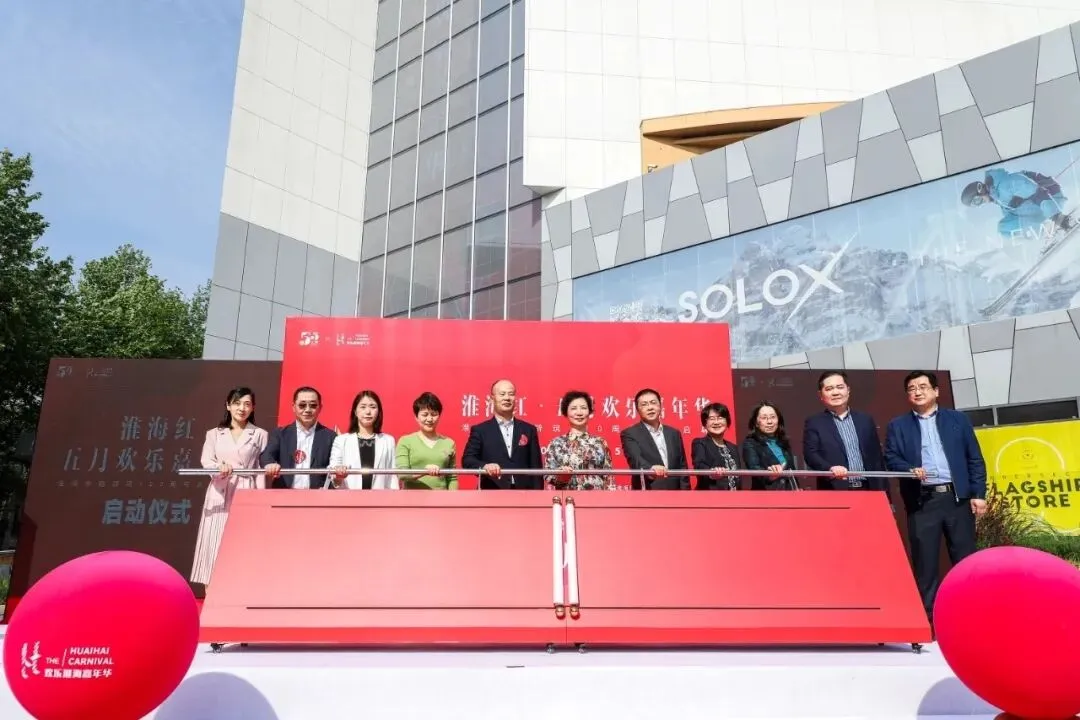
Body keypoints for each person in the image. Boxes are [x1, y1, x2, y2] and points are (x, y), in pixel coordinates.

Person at [884, 371, 988, 632]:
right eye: (912, 388)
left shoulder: (957, 420)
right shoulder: (898, 425)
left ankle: (972, 616)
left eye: (923, 386)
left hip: (956, 498)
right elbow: (891, 457)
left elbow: (974, 459)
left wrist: (978, 494)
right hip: (923, 501)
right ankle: (929, 622)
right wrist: (909, 469)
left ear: (936, 391)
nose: (918, 392)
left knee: (965, 560)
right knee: (925, 563)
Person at [191, 386, 268, 588]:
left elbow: (260, 470)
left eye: (247, 404)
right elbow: (206, 460)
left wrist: (260, 498)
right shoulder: (214, 434)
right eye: (237, 403)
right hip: (220, 490)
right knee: (214, 544)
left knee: (244, 544)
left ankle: (240, 592)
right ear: (228, 405)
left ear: (253, 408)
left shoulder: (260, 434)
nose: (242, 408)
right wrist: (219, 469)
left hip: (246, 491)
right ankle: (210, 593)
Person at [803, 371, 889, 498]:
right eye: (829, 389)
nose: (835, 392)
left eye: (840, 387)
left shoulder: (865, 420)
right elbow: (811, 454)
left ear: (848, 390)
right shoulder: (815, 422)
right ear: (820, 395)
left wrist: (886, 496)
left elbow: (877, 460)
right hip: (835, 490)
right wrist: (829, 468)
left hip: (869, 490)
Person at [960, 167, 1074, 251]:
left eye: (977, 200)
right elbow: (1014, 220)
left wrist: (1057, 217)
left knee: (1005, 227)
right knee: (1005, 227)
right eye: (976, 204)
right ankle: (1041, 240)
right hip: (1043, 207)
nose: (982, 203)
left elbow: (1038, 193)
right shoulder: (999, 198)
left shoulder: (1005, 184)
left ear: (980, 189)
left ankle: (1052, 229)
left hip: (1052, 198)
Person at [462, 379, 543, 489]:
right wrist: (485, 466)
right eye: (502, 394)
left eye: (511, 394)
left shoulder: (529, 429)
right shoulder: (480, 430)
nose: (507, 398)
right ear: (492, 399)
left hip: (524, 492)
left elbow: (536, 468)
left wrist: (538, 494)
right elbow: (468, 460)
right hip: (492, 490)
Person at [261, 386, 337, 489]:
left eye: (313, 405)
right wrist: (270, 464)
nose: (307, 410)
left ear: (320, 408)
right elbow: (266, 455)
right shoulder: (280, 434)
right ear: (294, 407)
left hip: (318, 495)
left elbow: (336, 466)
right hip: (284, 494)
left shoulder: (330, 436)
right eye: (302, 405)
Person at [619, 388, 689, 490]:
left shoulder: (674, 433)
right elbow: (635, 459)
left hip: (675, 492)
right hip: (648, 490)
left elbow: (682, 466)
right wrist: (650, 469)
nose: (650, 407)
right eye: (644, 404)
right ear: (637, 410)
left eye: (653, 403)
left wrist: (685, 493)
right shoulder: (630, 434)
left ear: (660, 406)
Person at [544, 390, 614, 490]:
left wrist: (611, 497)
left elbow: (609, 477)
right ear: (565, 412)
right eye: (573, 408)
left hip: (596, 497)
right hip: (567, 496)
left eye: (583, 408)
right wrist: (561, 476)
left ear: (589, 412)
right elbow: (548, 475)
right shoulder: (556, 443)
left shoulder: (600, 442)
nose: (579, 413)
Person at [329, 390, 398, 489]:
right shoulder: (341, 440)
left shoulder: (388, 440)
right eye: (363, 407)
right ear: (355, 411)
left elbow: (392, 476)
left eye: (373, 407)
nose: (368, 411)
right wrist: (339, 475)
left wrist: (394, 497)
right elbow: (333, 474)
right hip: (349, 497)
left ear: (379, 411)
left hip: (380, 497)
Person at [395, 392, 457, 490]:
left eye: (434, 414)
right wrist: (425, 471)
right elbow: (402, 474)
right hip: (412, 498)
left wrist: (452, 498)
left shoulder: (449, 443)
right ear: (416, 417)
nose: (429, 419)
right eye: (425, 415)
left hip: (441, 498)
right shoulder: (405, 441)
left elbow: (452, 478)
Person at [740, 401, 798, 490]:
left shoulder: (783, 442)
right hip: (766, 493)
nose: (769, 422)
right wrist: (771, 476)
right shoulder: (750, 443)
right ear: (756, 423)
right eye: (764, 418)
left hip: (789, 492)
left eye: (773, 417)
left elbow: (792, 470)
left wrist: (797, 488)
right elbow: (754, 468)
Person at [690, 402, 742, 490]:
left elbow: (738, 476)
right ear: (705, 423)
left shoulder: (733, 447)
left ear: (727, 421)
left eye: (720, 418)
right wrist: (712, 473)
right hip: (711, 495)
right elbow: (699, 465)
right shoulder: (700, 443)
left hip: (735, 496)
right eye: (712, 419)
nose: (716, 422)